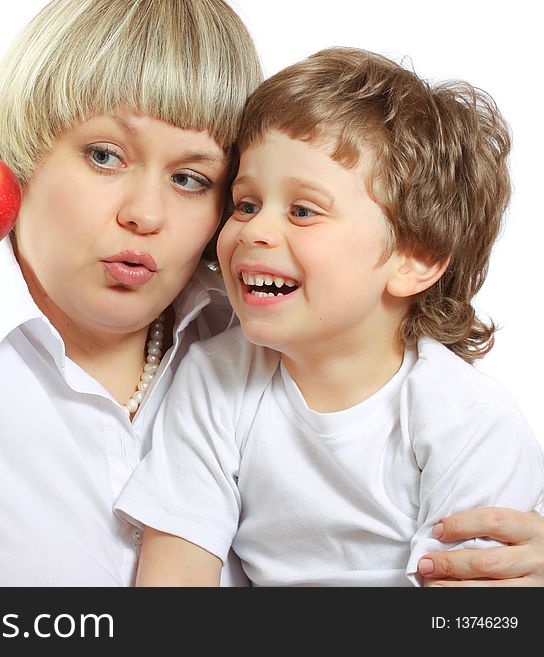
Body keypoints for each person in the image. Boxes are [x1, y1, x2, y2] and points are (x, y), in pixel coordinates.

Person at [0, 0, 541, 586]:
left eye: (197, 179)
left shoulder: (255, 338)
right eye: (105, 155)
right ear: (28, 148)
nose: (147, 214)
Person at [115, 47, 544, 586]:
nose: (254, 231)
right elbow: (172, 582)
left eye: (302, 211)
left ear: (417, 260)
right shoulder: (216, 378)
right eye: (245, 204)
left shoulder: (470, 421)